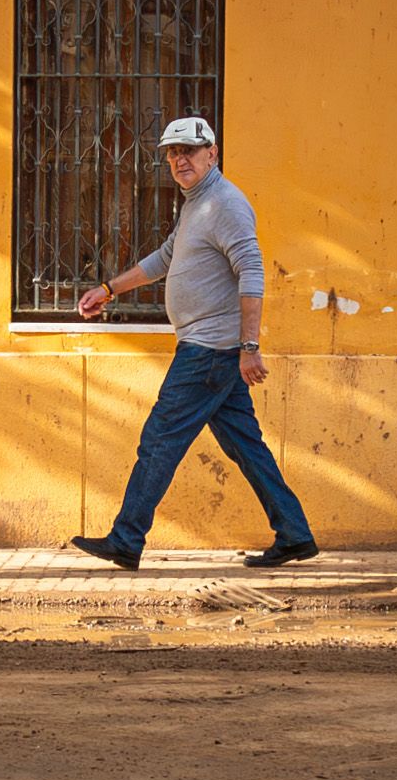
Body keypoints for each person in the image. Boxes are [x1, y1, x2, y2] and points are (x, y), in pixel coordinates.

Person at [70, 114, 316, 572]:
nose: (180, 159)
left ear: (212, 153)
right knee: (246, 446)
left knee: (159, 440)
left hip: (208, 351)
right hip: (212, 350)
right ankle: (295, 533)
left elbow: (253, 272)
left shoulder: (225, 203)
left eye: (190, 151)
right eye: (173, 153)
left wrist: (249, 347)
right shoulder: (196, 203)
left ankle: (126, 539)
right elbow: (166, 257)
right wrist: (107, 289)